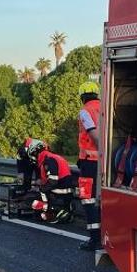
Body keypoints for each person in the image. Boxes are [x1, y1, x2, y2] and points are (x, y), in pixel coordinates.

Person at [22, 139, 78, 224]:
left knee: (32, 200)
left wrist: (41, 189)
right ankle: (61, 210)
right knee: (37, 194)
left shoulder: (49, 160)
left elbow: (53, 181)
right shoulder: (51, 157)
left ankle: (52, 211)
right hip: (64, 191)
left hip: (60, 192)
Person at [76, 81, 102, 252]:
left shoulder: (85, 111)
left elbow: (94, 135)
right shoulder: (104, 107)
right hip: (107, 163)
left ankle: (94, 239)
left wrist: (103, 151)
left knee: (88, 199)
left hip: (89, 164)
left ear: (83, 96)